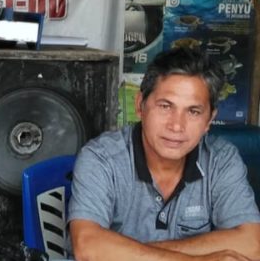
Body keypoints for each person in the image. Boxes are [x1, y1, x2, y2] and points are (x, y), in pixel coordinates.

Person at [69, 47, 260, 261]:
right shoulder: (101, 158)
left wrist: (127, 252)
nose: (177, 126)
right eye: (165, 106)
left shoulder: (220, 160)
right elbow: (88, 246)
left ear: (209, 120)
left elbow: (252, 244)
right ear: (140, 106)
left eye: (193, 111)